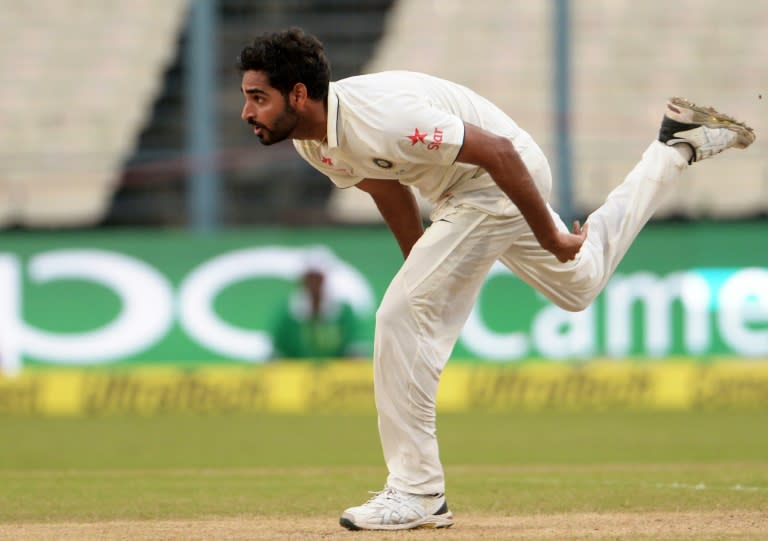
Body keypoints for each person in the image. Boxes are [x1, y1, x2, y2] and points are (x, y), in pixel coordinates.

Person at [236, 28, 755, 531]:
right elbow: (386, 189)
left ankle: (417, 493)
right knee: (580, 285)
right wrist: (419, 262)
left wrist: (548, 240)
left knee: (398, 316)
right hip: (461, 193)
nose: (247, 112)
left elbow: (500, 153)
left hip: (497, 181)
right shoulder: (313, 141)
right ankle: (674, 146)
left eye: (258, 98)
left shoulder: (384, 118)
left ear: (298, 94)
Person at [271, 266, 367, 360]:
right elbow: (278, 349)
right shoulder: (288, 313)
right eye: (310, 279)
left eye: (317, 279)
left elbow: (354, 346)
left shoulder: (344, 312)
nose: (314, 284)